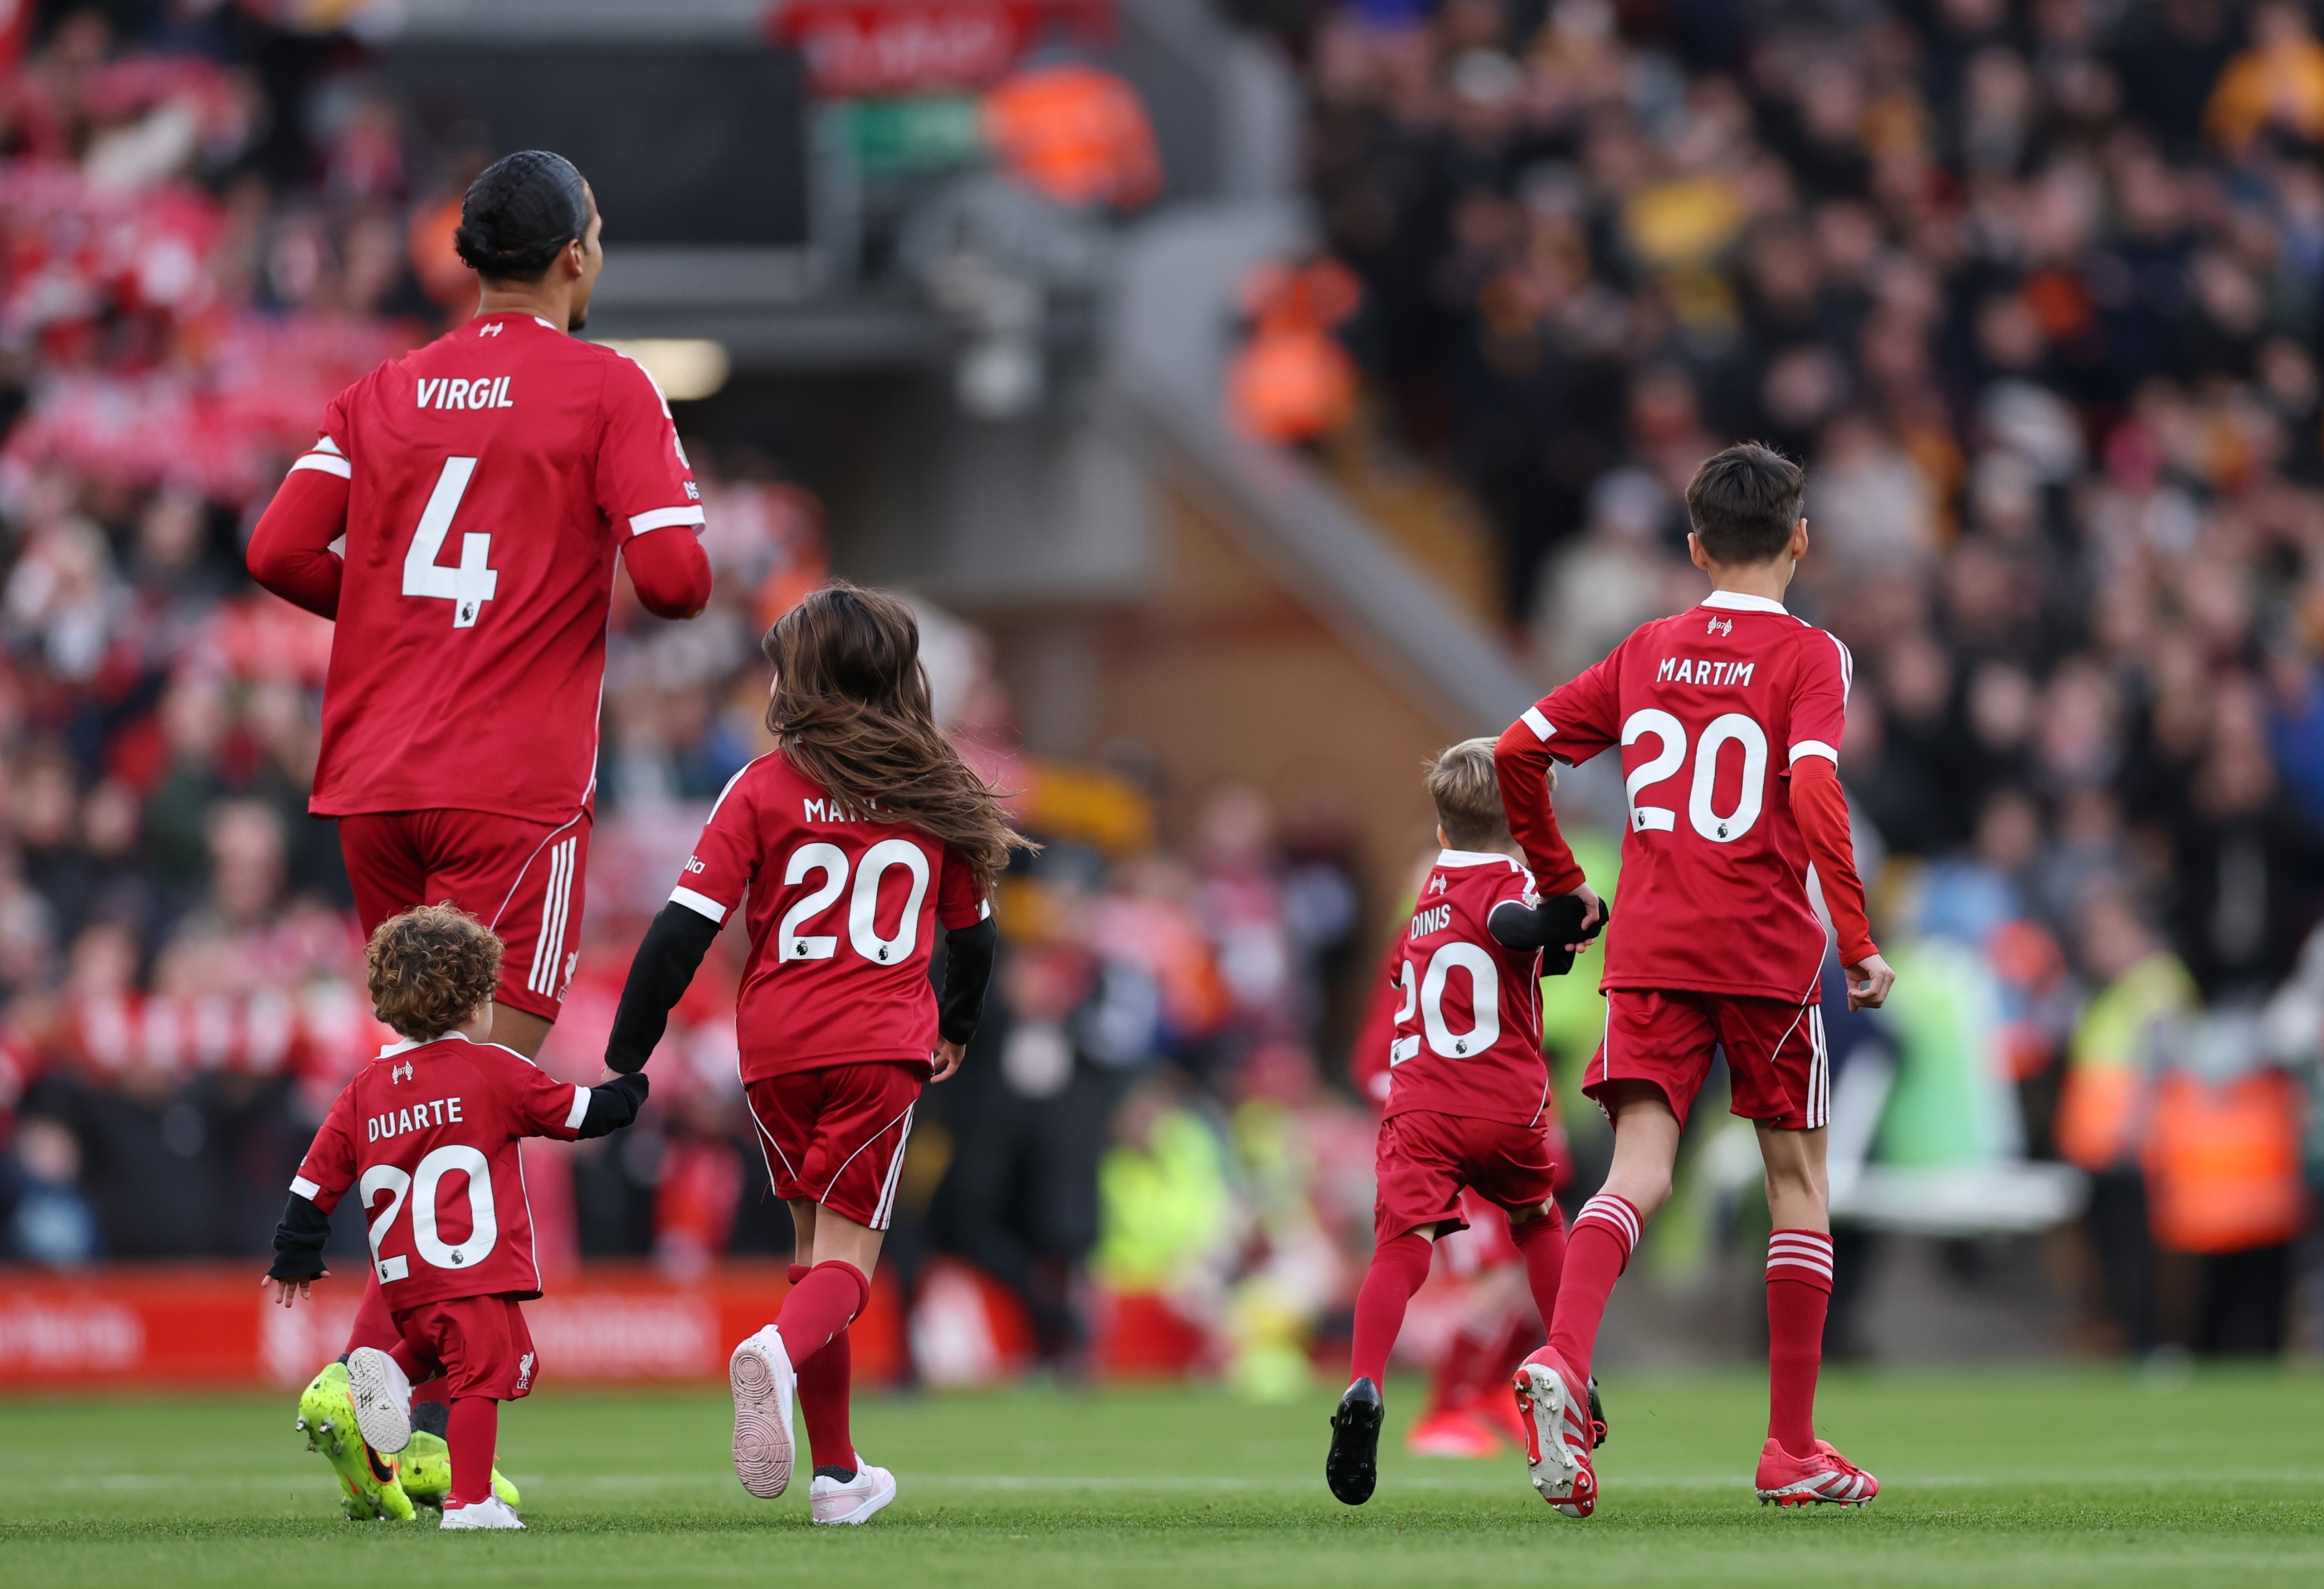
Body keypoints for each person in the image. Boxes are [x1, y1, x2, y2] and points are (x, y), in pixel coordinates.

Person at [243, 148, 714, 1515]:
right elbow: (679, 582)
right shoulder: (609, 384)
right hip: (506, 783)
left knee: (413, 1090)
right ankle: (372, 1390)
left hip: (373, 783)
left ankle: (400, 1434)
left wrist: (400, 621)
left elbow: (277, 548)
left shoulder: (386, 387)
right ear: (577, 255)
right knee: (472, 1107)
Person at [1494, 443, 1894, 1517]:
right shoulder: (1815, 656)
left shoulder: (1647, 649)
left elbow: (1517, 752)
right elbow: (1813, 789)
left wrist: (1565, 882)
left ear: (1694, 547)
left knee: (1634, 1177)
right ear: (1802, 540)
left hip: (1655, 951)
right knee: (1797, 1189)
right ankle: (1791, 1448)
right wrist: (1854, 940)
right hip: (1763, 955)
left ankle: (1567, 1361)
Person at [601, 583, 1024, 1525]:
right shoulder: (936, 784)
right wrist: (955, 1024)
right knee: (849, 1265)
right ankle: (775, 1357)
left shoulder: (761, 784)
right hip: (879, 1044)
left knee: (810, 1253)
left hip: (776, 1050)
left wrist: (631, 1049)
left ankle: (836, 1476)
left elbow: (680, 931)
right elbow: (978, 939)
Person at [263, 906, 649, 1529]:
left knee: (448, 1352)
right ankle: (472, 1503)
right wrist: (630, 1089)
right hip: (470, 1269)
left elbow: (316, 1180)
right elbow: (580, 1115)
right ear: (475, 1006)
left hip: (403, 1283)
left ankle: (384, 1369)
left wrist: (295, 1253)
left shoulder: (364, 1087)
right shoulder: (492, 1070)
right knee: (481, 1379)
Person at [1323, 739, 1602, 1506]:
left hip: (1420, 1108)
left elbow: (1433, 975)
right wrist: (1577, 916)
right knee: (1539, 1225)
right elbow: (1513, 929)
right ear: (1523, 823)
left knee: (1398, 1252)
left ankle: (1363, 1383)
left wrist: (1553, 944)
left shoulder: (1422, 903)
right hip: (1501, 1102)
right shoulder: (1512, 882)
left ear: (1440, 833)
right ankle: (1568, 1366)